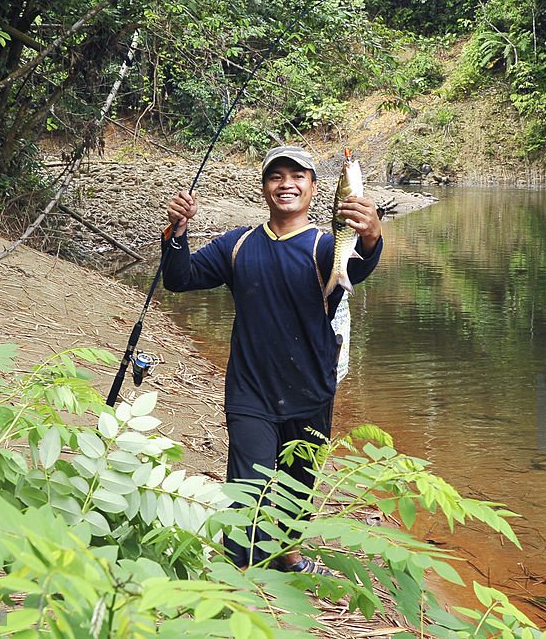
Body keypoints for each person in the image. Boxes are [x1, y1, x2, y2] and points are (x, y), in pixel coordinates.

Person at [162, 145, 383, 572]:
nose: (287, 184)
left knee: (299, 483)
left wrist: (371, 234)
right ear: (264, 188)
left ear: (315, 188)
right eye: (276, 176)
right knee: (248, 484)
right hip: (251, 390)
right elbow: (179, 277)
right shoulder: (237, 244)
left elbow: (358, 268)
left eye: (298, 176)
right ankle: (240, 569)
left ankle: (288, 556)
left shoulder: (326, 246)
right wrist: (177, 231)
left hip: (311, 388)